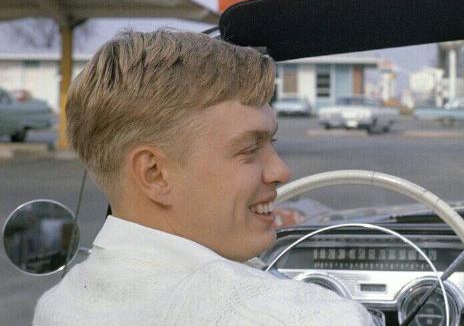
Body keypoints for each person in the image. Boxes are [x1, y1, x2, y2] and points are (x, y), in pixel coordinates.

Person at [33, 30, 374, 326]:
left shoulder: (55, 307)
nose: (281, 171)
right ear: (155, 174)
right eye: (249, 149)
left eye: (272, 143)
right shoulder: (312, 317)